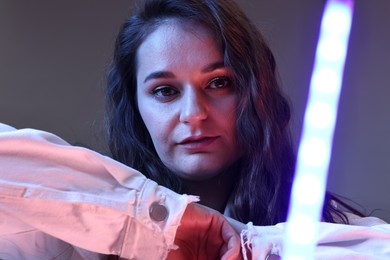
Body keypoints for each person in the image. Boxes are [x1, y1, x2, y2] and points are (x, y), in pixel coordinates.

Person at [0, 0, 389, 259]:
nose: (194, 114)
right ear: (136, 109)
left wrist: (253, 246)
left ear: (256, 93)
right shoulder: (69, 239)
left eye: (219, 83)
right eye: (165, 91)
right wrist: (161, 219)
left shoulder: (342, 239)